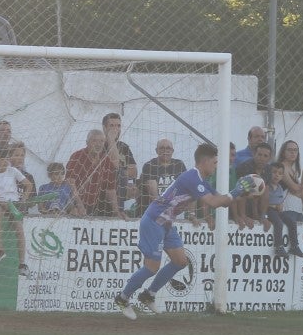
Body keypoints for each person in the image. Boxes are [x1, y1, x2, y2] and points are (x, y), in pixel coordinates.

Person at [114, 142, 246, 318]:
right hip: (154, 220)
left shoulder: (201, 180)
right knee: (151, 267)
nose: (216, 166)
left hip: (166, 223)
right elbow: (214, 202)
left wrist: (242, 191)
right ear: (205, 161)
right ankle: (122, 298)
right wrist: (237, 191)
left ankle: (148, 295)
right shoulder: (192, 177)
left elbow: (221, 200)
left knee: (180, 262)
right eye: (215, 163)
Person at [0, 145, 31, 274]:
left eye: (6, 158)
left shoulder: (13, 171)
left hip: (14, 203)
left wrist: (24, 199)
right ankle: (0, 249)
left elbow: (28, 185)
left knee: (19, 229)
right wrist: (1, 203)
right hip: (0, 203)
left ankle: (22, 264)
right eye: (1, 158)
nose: (4, 161)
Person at [66, 129, 123, 218]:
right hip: (74, 201)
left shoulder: (106, 160)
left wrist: (116, 211)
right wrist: (80, 205)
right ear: (87, 143)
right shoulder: (77, 156)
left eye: (101, 141)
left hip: (95, 204)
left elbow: (110, 190)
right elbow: (70, 183)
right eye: (94, 141)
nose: (98, 144)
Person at [271, 140, 303, 257]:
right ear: (283, 152)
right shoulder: (282, 167)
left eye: (295, 150)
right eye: (290, 150)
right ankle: (284, 247)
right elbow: (296, 188)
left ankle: (294, 247)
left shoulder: (294, 169)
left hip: (297, 208)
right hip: (285, 206)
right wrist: (299, 188)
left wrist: (299, 189)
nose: (293, 153)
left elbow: (300, 192)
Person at [101, 112, 137, 215]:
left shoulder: (124, 147)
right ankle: (118, 212)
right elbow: (115, 165)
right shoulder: (99, 145)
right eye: (112, 125)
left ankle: (129, 215)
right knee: (120, 175)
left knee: (131, 184)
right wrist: (111, 140)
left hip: (122, 184)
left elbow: (133, 172)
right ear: (104, 128)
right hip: (104, 185)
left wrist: (123, 172)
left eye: (118, 126)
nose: (115, 129)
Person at [140, 139, 187, 215]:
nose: (165, 150)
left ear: (172, 151)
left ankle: (192, 214)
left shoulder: (179, 164)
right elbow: (153, 195)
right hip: (154, 210)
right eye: (162, 148)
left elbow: (185, 188)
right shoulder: (149, 165)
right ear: (156, 151)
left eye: (168, 148)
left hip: (175, 209)